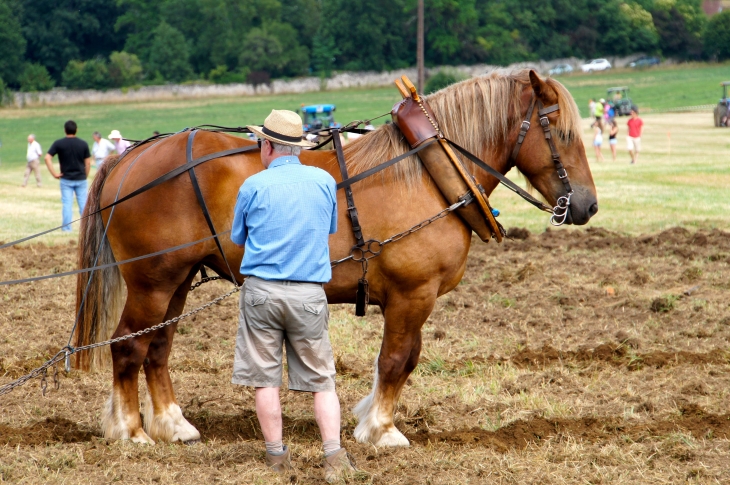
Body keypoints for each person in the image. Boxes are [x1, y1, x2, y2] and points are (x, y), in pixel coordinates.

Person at [230, 109, 356, 482]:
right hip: (308, 295)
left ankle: (276, 459)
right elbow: (329, 227)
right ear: (297, 147)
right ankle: (333, 456)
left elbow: (238, 238)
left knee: (265, 380)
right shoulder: (323, 180)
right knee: (322, 381)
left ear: (267, 145)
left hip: (261, 294)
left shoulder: (252, 186)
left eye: (260, 144)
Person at [45, 120, 91, 231]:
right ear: (77, 130)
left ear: (65, 130)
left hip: (66, 179)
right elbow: (88, 163)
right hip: (81, 178)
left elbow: (47, 158)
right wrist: (85, 175)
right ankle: (87, 228)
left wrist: (54, 173)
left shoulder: (59, 143)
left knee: (67, 204)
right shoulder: (83, 144)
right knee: (84, 204)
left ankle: (67, 229)